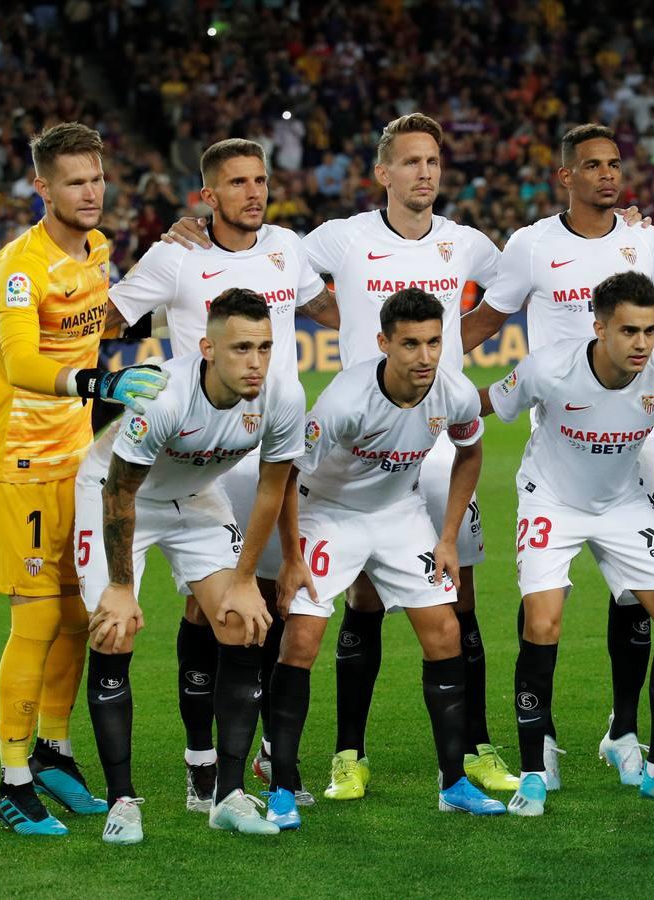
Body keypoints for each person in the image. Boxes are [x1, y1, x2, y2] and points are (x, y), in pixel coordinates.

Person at [166, 115, 518, 799]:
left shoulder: (467, 243)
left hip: (432, 438)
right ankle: (329, 754)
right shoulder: (338, 238)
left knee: (454, 598)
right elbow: (259, 253)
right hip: (350, 444)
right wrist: (193, 236)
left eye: (434, 161)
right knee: (312, 600)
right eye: (411, 161)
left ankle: (473, 748)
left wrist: (455, 349)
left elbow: (517, 285)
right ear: (383, 173)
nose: (426, 172)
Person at [461, 123, 654, 788]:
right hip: (560, 427)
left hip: (633, 434)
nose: (608, 174)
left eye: (614, 163)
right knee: (546, 603)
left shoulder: (643, 238)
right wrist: (421, 373)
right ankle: (541, 747)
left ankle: (625, 732)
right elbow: (486, 322)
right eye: (592, 165)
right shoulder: (532, 245)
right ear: (564, 175)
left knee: (640, 597)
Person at [106, 137, 333, 810]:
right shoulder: (176, 256)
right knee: (208, 615)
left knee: (272, 603)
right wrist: (100, 384)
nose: (253, 192)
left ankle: (261, 757)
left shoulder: (289, 248)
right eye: (237, 183)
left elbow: (330, 311)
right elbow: (108, 322)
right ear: (207, 197)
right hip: (201, 459)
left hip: (274, 449)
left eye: (260, 180)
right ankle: (201, 760)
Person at [0, 123, 169, 836]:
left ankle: (54, 750)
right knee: (36, 620)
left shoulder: (97, 251)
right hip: (20, 461)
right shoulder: (18, 268)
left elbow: (100, 325)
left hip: (79, 459)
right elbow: (21, 362)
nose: (91, 192)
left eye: (97, 178)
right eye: (75, 181)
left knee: (80, 614)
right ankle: (12, 779)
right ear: (43, 188)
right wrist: (96, 380)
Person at [483, 271, 654, 815]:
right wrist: (422, 409)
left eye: (651, 330)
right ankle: (533, 774)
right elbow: (488, 401)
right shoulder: (549, 369)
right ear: (599, 328)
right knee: (542, 622)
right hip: (552, 501)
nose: (643, 343)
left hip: (623, 503)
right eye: (630, 332)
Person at [78, 289, 309, 843]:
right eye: (240, 348)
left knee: (244, 625)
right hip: (113, 492)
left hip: (197, 497)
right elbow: (119, 494)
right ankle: (122, 803)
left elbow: (271, 489)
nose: (255, 362)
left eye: (265, 347)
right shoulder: (163, 395)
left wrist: (247, 579)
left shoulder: (282, 394)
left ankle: (227, 795)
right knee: (113, 632)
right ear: (207, 348)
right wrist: (119, 586)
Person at [267, 288, 505, 819]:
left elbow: (470, 452)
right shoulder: (344, 401)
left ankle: (453, 784)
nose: (425, 357)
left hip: (400, 512)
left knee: (445, 632)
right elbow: (286, 473)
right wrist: (290, 557)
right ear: (383, 343)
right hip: (329, 513)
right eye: (410, 344)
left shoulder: (455, 393)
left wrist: (447, 538)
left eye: (434, 343)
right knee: (301, 639)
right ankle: (282, 787)